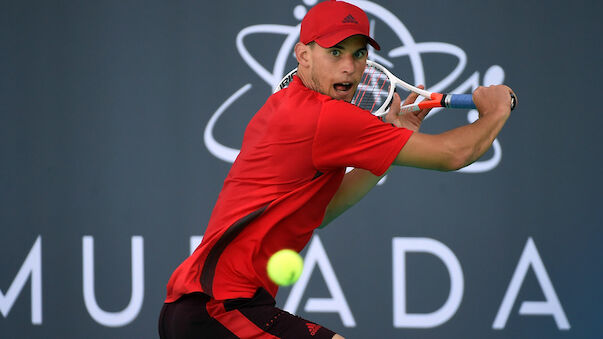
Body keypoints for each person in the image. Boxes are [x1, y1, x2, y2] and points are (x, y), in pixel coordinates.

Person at [158, 1, 516, 338]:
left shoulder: (283, 105)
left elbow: (322, 212)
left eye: (358, 54)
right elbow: (454, 154)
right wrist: (496, 110)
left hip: (197, 310)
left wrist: (389, 150)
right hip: (219, 308)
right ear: (303, 55)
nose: (349, 66)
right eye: (335, 53)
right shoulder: (327, 118)